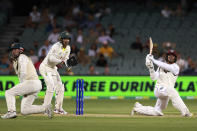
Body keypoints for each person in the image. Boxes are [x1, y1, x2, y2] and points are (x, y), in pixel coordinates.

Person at [131, 50, 192, 117]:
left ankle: (138, 108)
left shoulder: (176, 67)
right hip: (159, 89)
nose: (171, 57)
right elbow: (153, 78)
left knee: (157, 112)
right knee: (173, 91)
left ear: (175, 58)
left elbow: (167, 66)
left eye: (173, 56)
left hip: (166, 92)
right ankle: (185, 112)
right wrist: (151, 67)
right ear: (167, 57)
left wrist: (153, 60)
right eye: (169, 56)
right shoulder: (160, 67)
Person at [1, 43, 52, 119]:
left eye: (15, 49)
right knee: (25, 110)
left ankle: (11, 112)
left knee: (9, 93)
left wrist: (23, 86)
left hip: (31, 82)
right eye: (12, 50)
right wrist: (24, 87)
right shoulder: (15, 61)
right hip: (33, 84)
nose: (13, 51)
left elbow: (23, 73)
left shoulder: (22, 57)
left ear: (20, 50)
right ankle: (46, 108)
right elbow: (20, 75)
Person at [39, 31, 71, 115]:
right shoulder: (55, 46)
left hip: (53, 68)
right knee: (51, 86)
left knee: (61, 87)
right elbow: (50, 59)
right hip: (45, 67)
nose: (66, 41)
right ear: (61, 39)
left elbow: (66, 59)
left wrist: (68, 64)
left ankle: (58, 108)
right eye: (65, 39)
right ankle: (45, 108)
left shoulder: (68, 48)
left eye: (68, 39)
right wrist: (61, 61)